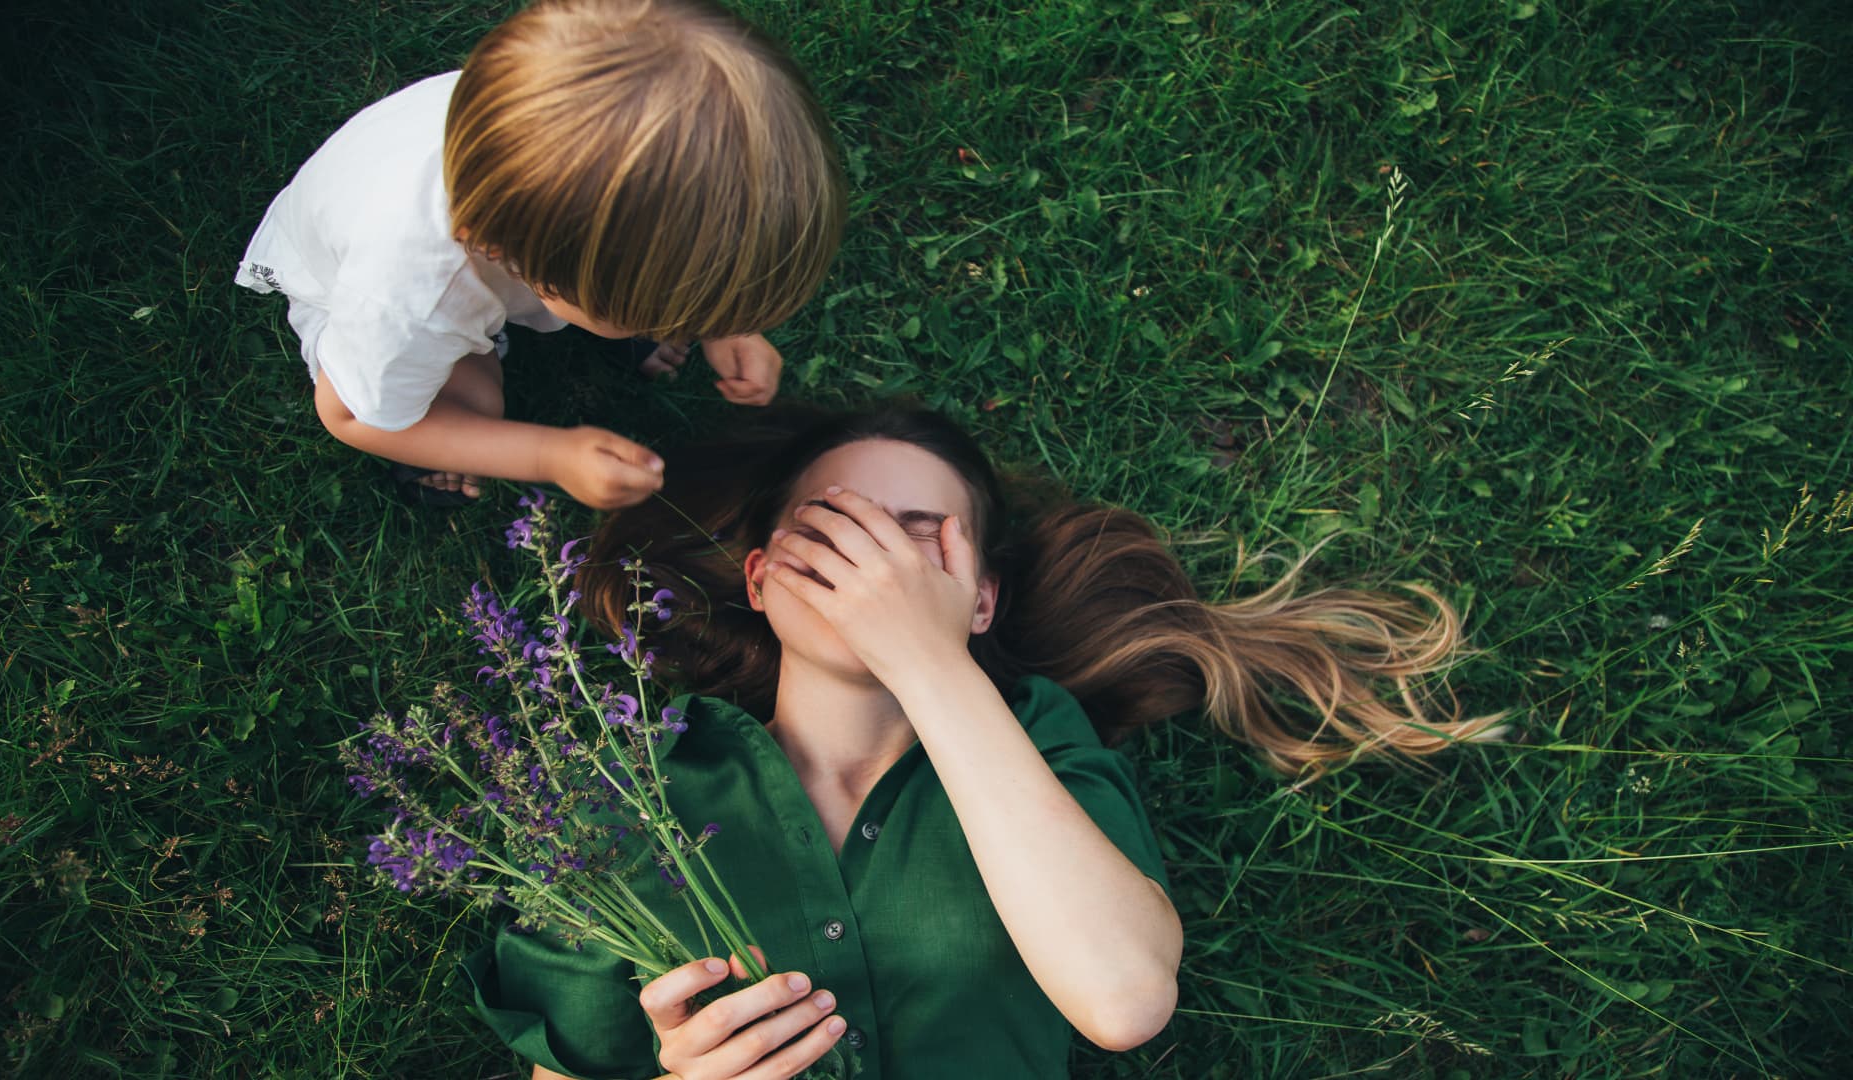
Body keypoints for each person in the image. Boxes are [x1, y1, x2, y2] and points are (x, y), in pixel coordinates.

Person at [465, 408, 1500, 1079]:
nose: (877, 564)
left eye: (918, 535)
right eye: (836, 528)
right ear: (761, 578)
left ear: (982, 599)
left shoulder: (1034, 739)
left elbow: (1125, 998)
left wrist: (925, 656)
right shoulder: (626, 789)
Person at [234, 0, 844, 509]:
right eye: (666, 313)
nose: (684, 326)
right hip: (339, 284)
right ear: (509, 254)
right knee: (475, 402)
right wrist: (551, 454)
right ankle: (430, 447)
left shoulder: (549, 126)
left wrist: (727, 323)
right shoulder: (410, 297)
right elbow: (349, 416)